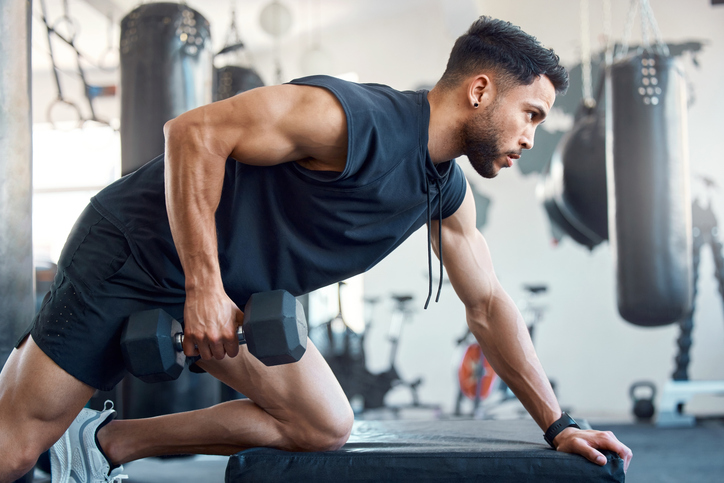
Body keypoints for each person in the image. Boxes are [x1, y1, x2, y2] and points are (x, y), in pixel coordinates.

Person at [0, 16, 632, 482]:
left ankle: (107, 442)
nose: (530, 137)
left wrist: (559, 424)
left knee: (323, 425)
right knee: (12, 453)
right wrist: (203, 287)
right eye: (532, 114)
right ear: (481, 90)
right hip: (132, 249)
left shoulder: (444, 190)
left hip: (228, 291)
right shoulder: (352, 118)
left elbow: (489, 305)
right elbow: (193, 133)